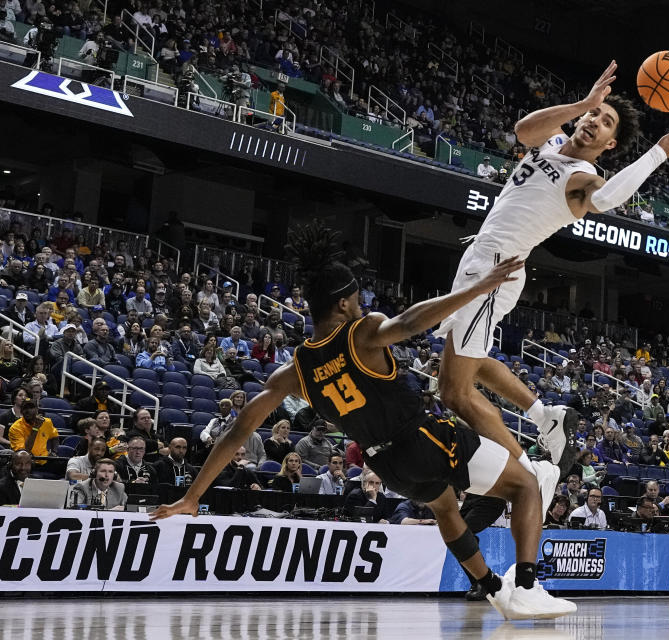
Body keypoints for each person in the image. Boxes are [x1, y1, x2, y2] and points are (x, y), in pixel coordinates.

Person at [151, 223, 576, 620]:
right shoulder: (361, 332)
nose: (362, 304)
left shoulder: (294, 370)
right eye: (356, 298)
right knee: (526, 482)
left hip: (386, 467)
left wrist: (192, 496)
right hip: (423, 438)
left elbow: (239, 429)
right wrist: (480, 286)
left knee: (445, 506)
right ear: (341, 303)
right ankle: (525, 585)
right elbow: (411, 322)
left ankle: (488, 584)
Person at [435, 61, 669, 498]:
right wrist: (583, 102)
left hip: (494, 271)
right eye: (595, 114)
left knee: (454, 391)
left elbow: (608, 199)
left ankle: (528, 474)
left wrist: (658, 152)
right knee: (467, 362)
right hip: (482, 260)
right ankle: (546, 417)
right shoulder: (555, 142)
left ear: (610, 143)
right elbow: (523, 131)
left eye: (606, 122)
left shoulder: (583, 180)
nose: (595, 121)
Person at [8, 397, 59, 464]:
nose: (28, 410)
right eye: (25, 408)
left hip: (44, 460)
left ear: (37, 409)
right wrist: (35, 428)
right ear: (21, 411)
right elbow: (24, 452)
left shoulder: (47, 422)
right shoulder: (15, 428)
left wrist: (54, 452)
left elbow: (55, 436)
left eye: (31, 407)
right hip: (26, 463)